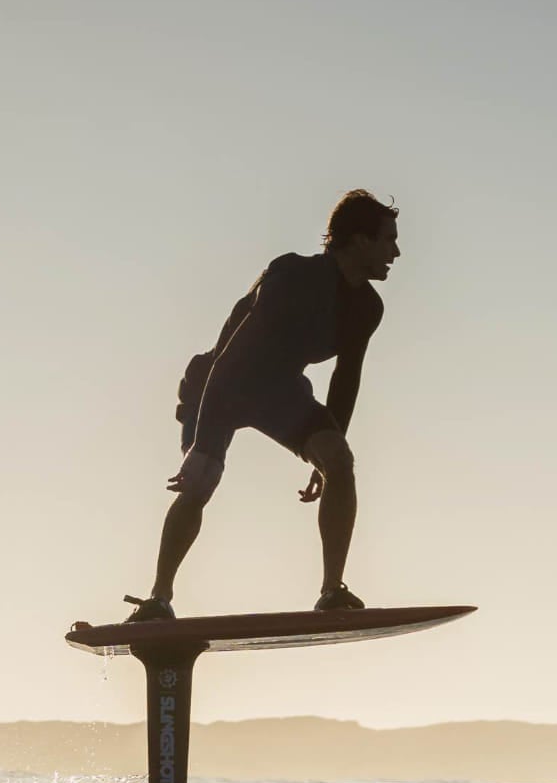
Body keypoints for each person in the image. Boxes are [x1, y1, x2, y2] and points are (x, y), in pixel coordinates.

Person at [121, 189, 401, 623]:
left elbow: (347, 379)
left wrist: (324, 459)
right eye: (389, 240)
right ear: (360, 240)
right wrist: (201, 447)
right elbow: (235, 357)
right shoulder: (292, 274)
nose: (396, 252)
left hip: (279, 390)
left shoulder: (367, 306)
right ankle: (159, 599)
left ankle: (332, 590)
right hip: (222, 382)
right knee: (201, 482)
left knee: (340, 461)